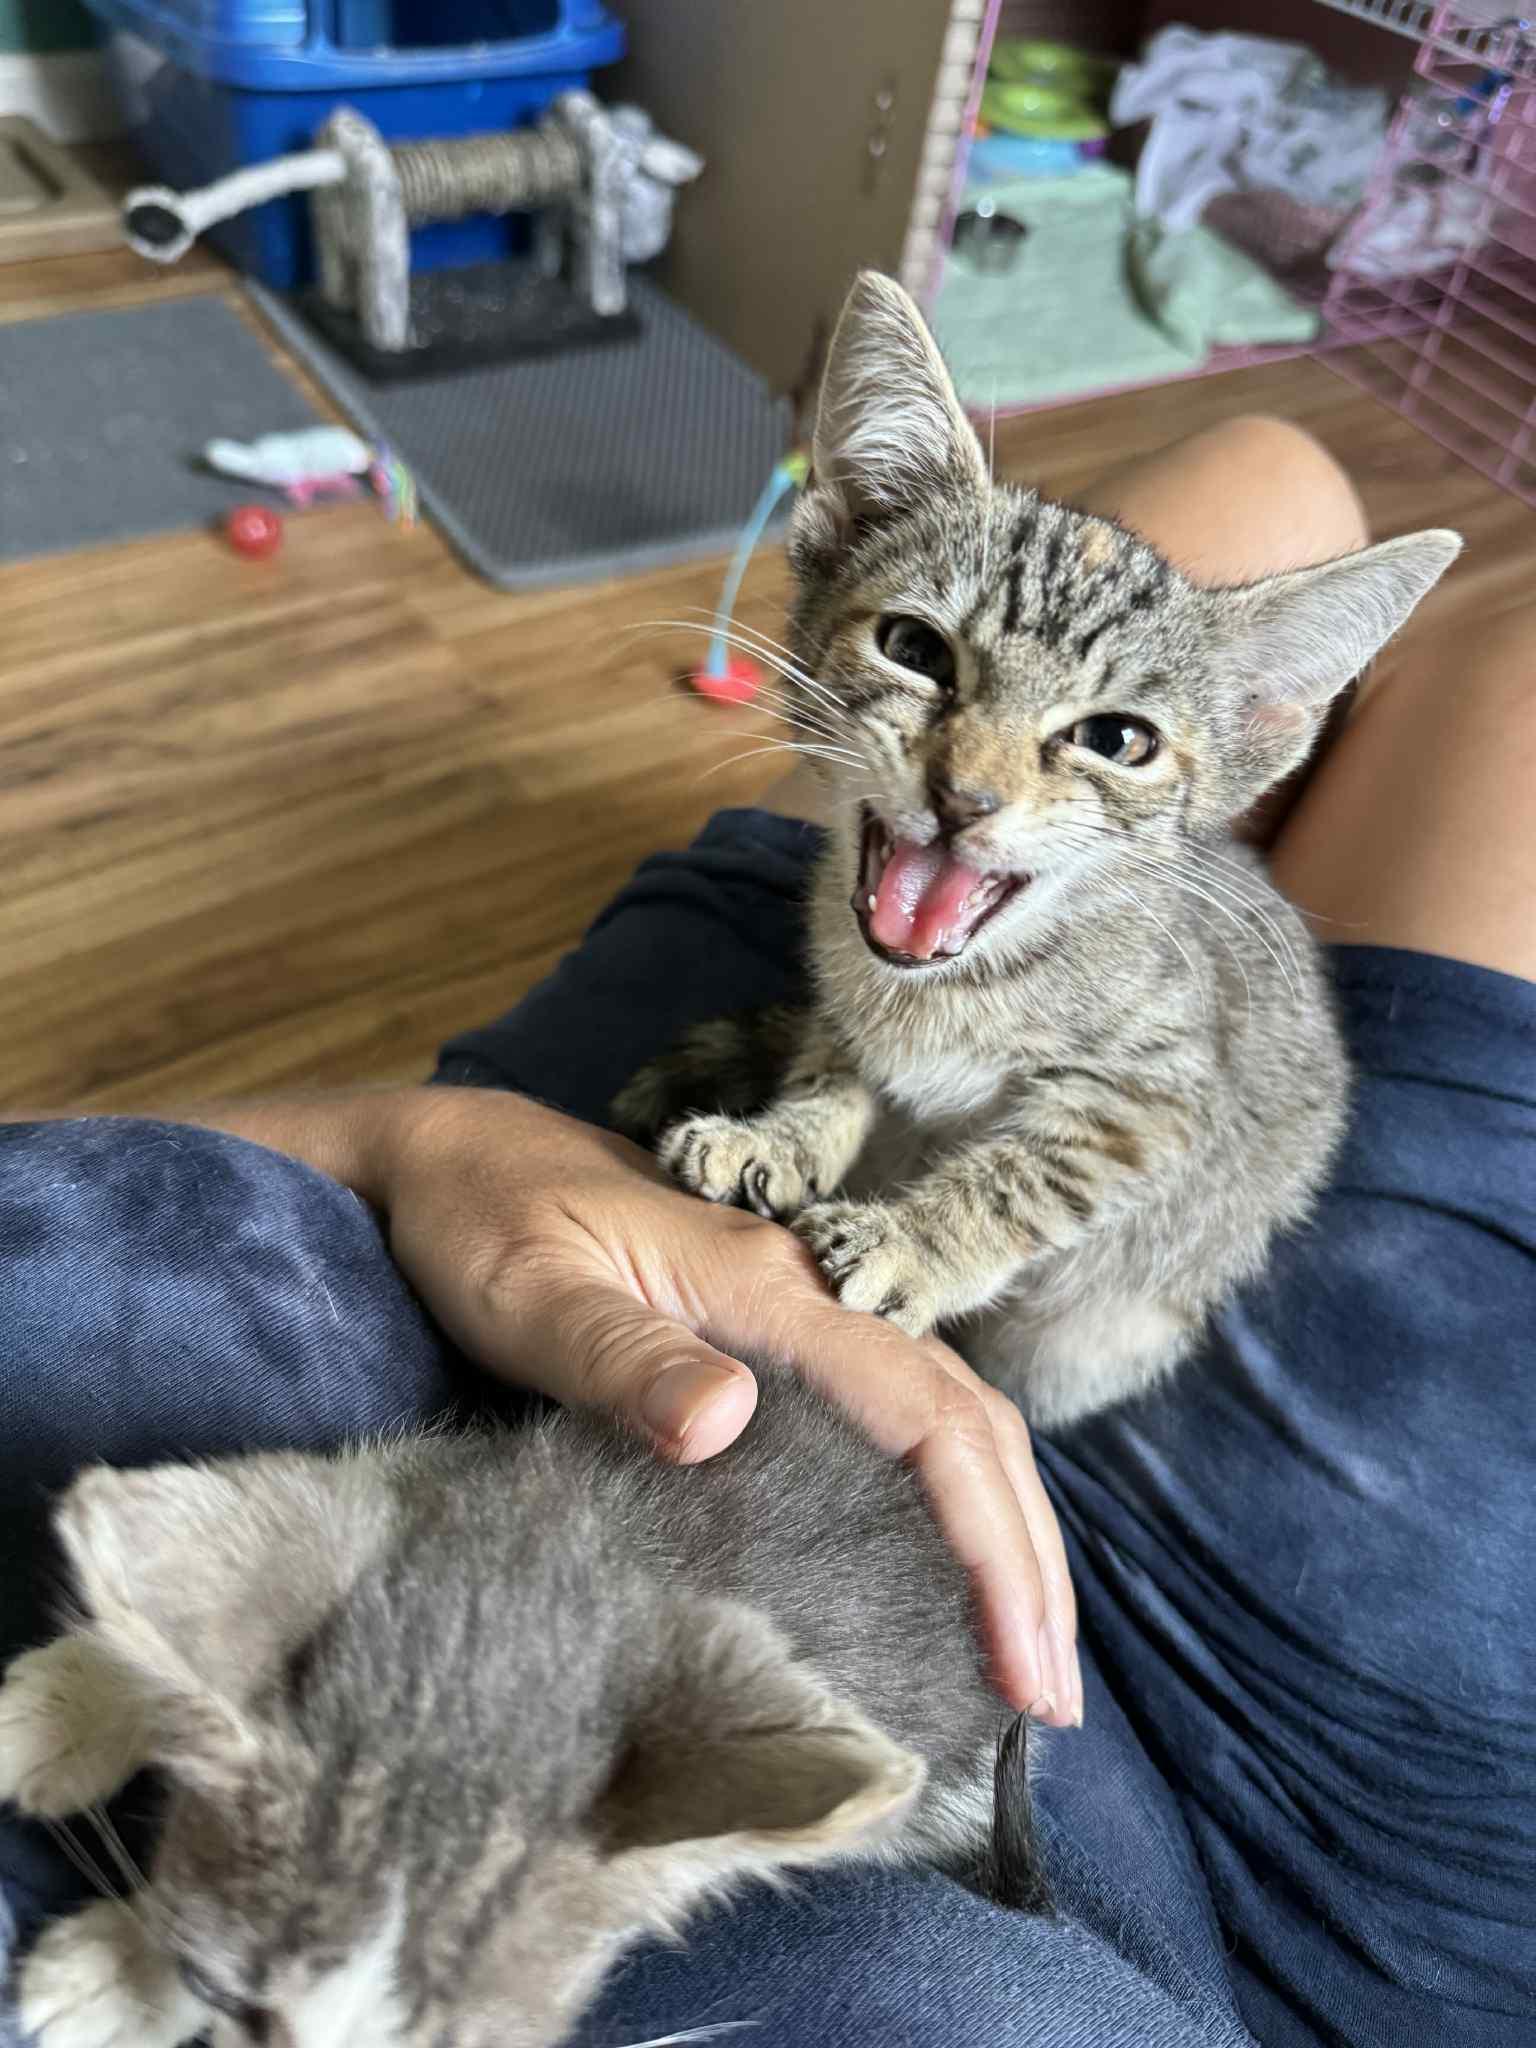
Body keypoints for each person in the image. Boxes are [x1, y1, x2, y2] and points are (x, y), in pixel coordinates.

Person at [2, 417, 1531, 2048]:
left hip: (644, 1258)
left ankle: (1114, 750)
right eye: (933, 664)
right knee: (1498, 669)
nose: (977, 762)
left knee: (1264, 467)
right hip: (1268, 1766)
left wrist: (419, 1139)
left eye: (1082, 735)